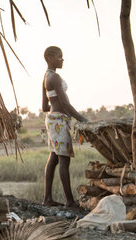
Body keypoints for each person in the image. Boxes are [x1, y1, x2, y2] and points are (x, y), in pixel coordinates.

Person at [42, 46, 88, 208]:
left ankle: (47, 198)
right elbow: (65, 103)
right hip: (58, 121)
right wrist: (82, 119)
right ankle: (69, 201)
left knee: (54, 158)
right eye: (59, 57)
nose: (62, 59)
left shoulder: (46, 77)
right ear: (49, 58)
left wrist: (56, 110)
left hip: (52, 119)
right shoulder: (54, 77)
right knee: (64, 159)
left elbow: (44, 106)